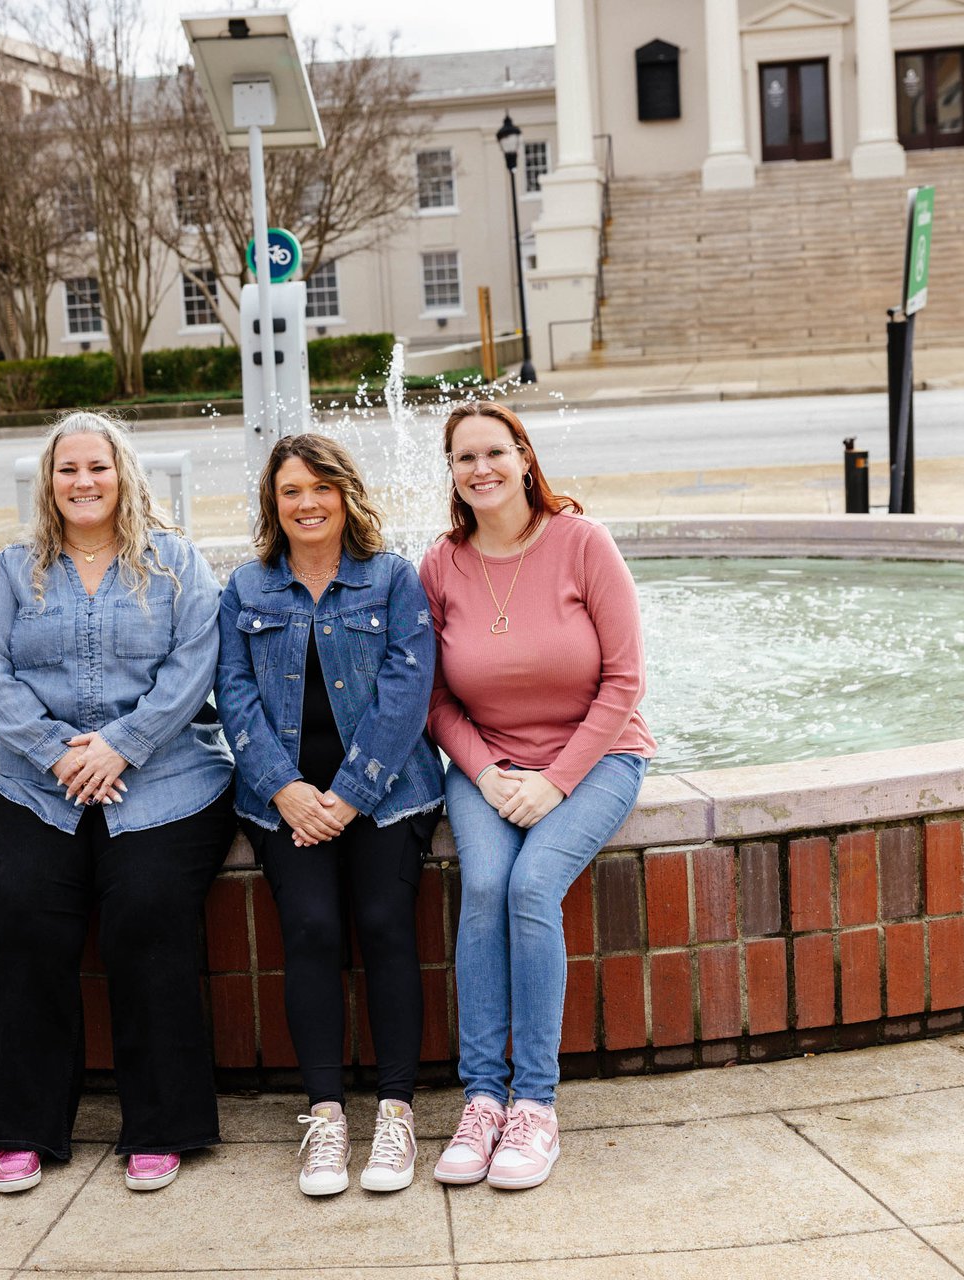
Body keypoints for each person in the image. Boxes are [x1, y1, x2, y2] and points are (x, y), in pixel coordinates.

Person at [0, 412, 233, 1196]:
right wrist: (55, 751)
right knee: (22, 910)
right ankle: (22, 1128)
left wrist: (124, 744)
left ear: (125, 475)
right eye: (68, 469)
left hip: (165, 780)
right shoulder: (15, 569)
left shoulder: (176, 562)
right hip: (36, 782)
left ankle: (161, 1125)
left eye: (98, 467)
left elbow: (195, 664)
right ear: (49, 482)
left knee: (146, 910)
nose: (83, 482)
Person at [421, 400, 655, 1192]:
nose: (480, 469)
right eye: (464, 458)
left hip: (597, 758)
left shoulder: (583, 543)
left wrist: (556, 782)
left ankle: (534, 1108)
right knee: (485, 883)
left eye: (495, 451)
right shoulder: (441, 565)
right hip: (487, 766)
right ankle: (482, 1100)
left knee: (530, 886)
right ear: (452, 473)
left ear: (524, 457)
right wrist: (486, 773)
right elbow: (433, 698)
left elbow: (625, 681)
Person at [217, 434, 443, 1198]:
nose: (307, 503)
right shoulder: (247, 588)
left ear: (346, 494)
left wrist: (348, 796)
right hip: (285, 802)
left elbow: (407, 695)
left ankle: (395, 1111)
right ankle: (325, 1116)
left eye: (322, 487)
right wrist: (282, 788)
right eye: (291, 491)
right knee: (311, 927)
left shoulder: (392, 579)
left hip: (387, 793)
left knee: (383, 921)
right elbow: (232, 695)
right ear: (273, 504)